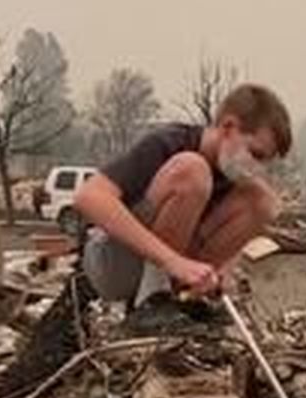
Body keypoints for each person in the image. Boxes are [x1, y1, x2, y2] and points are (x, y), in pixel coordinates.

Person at [73, 83, 292, 311]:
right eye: (255, 154)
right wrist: (172, 261)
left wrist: (221, 271)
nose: (256, 167)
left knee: (263, 201)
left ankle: (188, 298)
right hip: (111, 264)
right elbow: (88, 197)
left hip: (169, 268)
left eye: (264, 161)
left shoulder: (233, 177)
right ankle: (153, 300)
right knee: (193, 171)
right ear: (228, 127)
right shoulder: (170, 143)